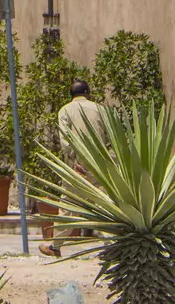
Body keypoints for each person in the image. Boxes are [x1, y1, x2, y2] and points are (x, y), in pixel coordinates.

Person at [39, 80, 104, 257]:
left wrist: (74, 161)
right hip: (100, 164)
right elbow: (109, 137)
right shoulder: (100, 109)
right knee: (105, 203)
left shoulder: (65, 110)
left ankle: (56, 246)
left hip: (77, 165)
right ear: (88, 93)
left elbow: (65, 139)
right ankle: (112, 245)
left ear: (71, 95)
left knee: (68, 204)